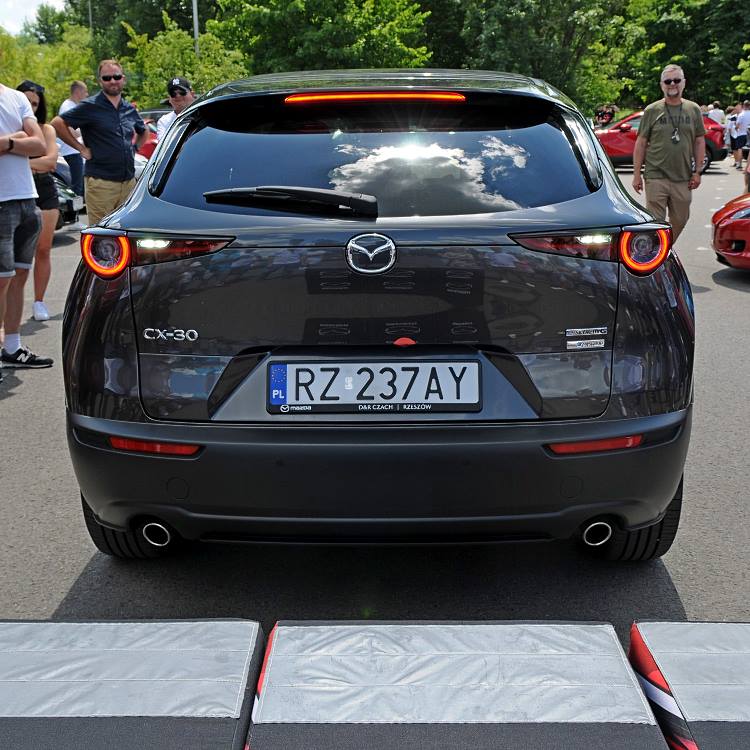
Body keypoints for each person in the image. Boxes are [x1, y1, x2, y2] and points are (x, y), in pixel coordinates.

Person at [51, 60, 148, 226]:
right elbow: (57, 123)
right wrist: (80, 148)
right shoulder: (90, 106)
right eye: (107, 78)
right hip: (101, 183)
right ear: (100, 81)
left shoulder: (128, 108)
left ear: (123, 79)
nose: (112, 81)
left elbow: (143, 131)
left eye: (116, 77)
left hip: (129, 183)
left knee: (127, 231)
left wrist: (134, 148)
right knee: (101, 233)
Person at [0, 81, 53, 378]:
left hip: (26, 199)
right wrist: (19, 137)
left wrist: (8, 143)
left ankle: (12, 347)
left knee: (19, 277)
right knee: (1, 280)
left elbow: (39, 144)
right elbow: (30, 142)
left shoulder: (16, 97)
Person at [632, 64, 705, 242]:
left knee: (680, 219)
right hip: (656, 175)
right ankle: (658, 252)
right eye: (668, 81)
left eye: (677, 80)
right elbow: (641, 142)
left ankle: (664, 248)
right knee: (656, 222)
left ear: (684, 83)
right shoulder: (652, 110)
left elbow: (699, 141)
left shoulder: (693, 109)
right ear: (662, 85)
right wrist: (636, 174)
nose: (672, 84)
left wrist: (698, 171)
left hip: (683, 177)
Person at [17, 82, 60, 323]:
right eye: (26, 102)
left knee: (43, 249)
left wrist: (18, 164)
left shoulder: (46, 129)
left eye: (35, 104)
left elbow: (50, 162)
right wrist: (36, 164)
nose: (31, 107)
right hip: (16, 191)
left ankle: (39, 301)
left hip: (44, 190)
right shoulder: (9, 129)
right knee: (13, 254)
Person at [57, 80, 88, 196]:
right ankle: (74, 207)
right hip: (71, 151)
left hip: (73, 151)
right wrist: (85, 131)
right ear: (78, 92)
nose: (87, 95)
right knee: (77, 186)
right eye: (85, 92)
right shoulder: (68, 107)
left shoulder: (71, 106)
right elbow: (69, 130)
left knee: (78, 184)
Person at [156, 77, 196, 142]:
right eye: (173, 94)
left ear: (192, 94)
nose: (178, 96)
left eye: (182, 92)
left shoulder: (203, 113)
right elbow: (165, 145)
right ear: (169, 99)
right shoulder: (164, 121)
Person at [735, 100, 750, 169]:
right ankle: (748, 165)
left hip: (741, 133)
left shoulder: (741, 114)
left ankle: (739, 164)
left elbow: (737, 125)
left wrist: (736, 128)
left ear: (743, 106)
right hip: (749, 133)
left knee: (740, 148)